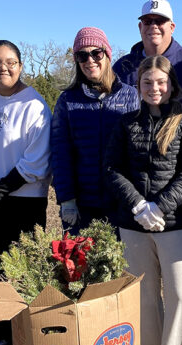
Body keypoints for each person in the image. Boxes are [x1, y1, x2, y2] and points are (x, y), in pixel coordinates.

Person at [105, 55, 182, 345]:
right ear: (138, 86)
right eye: (147, 82)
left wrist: (159, 206)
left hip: (175, 224)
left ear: (172, 84)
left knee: (180, 298)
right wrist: (138, 206)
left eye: (160, 81)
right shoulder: (126, 123)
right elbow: (112, 169)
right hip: (133, 225)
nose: (154, 87)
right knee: (144, 299)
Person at [113, 0, 182, 312]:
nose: (153, 26)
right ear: (139, 26)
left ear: (172, 26)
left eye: (160, 21)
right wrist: (137, 201)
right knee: (140, 287)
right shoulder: (123, 67)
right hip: (135, 189)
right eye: (147, 21)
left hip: (181, 187)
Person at [0, 40, 51, 345]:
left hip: (24, 200)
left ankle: (26, 337)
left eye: (10, 62)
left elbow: (37, 159)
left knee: (24, 269)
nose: (2, 68)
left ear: (20, 65)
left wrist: (2, 188)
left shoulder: (34, 105)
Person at [50, 27, 138, 234]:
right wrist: (67, 199)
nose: (90, 60)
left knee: (121, 266)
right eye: (82, 55)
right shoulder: (67, 100)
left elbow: (136, 151)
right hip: (82, 205)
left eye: (96, 53)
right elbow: (60, 154)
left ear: (107, 54)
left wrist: (136, 197)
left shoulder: (131, 96)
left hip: (121, 202)